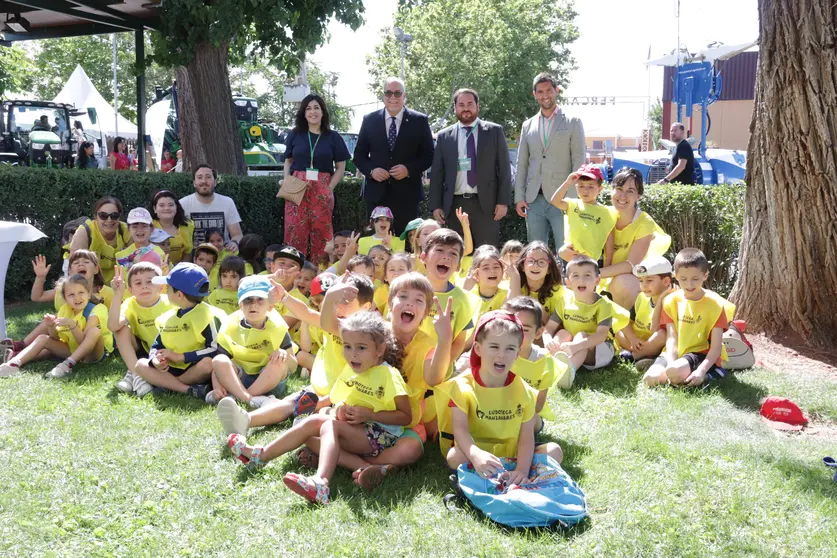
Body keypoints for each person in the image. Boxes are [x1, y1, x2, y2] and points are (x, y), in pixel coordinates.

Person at [433, 311, 563, 471]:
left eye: (510, 349)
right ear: (478, 349)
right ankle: (491, 469)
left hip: (513, 453)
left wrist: (522, 469)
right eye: (494, 347)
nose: (501, 355)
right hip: (477, 452)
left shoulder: (524, 391)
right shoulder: (462, 386)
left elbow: (526, 439)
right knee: (454, 457)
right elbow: (460, 431)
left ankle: (513, 473)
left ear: (517, 354)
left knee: (555, 451)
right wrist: (475, 455)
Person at [429, 88, 511, 248]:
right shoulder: (444, 136)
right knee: (456, 252)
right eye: (461, 104)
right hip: (454, 206)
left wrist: (503, 202)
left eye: (470, 104)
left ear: (477, 106)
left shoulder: (494, 131)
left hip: (486, 206)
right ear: (455, 108)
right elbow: (438, 173)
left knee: (486, 253)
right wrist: (436, 205)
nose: (465, 108)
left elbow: (504, 170)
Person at [132, 263, 227, 399]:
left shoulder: (209, 316)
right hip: (169, 368)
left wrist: (181, 357)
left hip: (194, 369)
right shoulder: (168, 316)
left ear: (179, 294)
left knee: (207, 364)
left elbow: (214, 349)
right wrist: (155, 360)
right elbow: (156, 345)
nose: (165, 291)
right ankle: (187, 389)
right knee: (140, 365)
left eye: (168, 288)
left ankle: (165, 385)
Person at [354, 77, 435, 235]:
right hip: (376, 194)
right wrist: (371, 171)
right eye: (388, 93)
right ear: (383, 96)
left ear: (404, 95)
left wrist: (409, 169)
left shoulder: (419, 121)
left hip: (407, 195)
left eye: (397, 93)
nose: (392, 97)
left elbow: (428, 155)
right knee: (376, 246)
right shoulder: (369, 120)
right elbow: (358, 156)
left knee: (404, 244)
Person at [515, 73, 586, 247]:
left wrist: (574, 197)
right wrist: (519, 197)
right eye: (540, 92)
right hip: (533, 201)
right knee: (536, 252)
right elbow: (522, 163)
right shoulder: (528, 125)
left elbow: (579, 160)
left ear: (557, 90)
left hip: (563, 200)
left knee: (568, 250)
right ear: (534, 94)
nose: (545, 95)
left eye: (549, 90)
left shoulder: (573, 122)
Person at [643, 249, 730, 387]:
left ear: (705, 275)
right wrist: (671, 364)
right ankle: (673, 370)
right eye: (683, 279)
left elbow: (716, 348)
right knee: (650, 380)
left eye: (695, 279)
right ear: (676, 276)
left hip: (699, 353)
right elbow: (671, 338)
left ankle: (715, 372)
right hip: (675, 353)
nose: (689, 285)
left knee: (675, 373)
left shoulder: (716, 305)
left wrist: (701, 372)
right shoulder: (671, 301)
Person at [0, 274, 112, 379]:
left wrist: (72, 325)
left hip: (93, 354)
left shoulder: (97, 309)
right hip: (72, 350)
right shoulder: (65, 310)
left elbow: (84, 342)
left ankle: (66, 365)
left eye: (81, 292)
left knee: (94, 332)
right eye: (71, 295)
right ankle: (12, 364)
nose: (77, 298)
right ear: (65, 298)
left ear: (88, 294)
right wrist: (50, 326)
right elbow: (55, 338)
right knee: (43, 338)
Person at [280, 94, 351, 261]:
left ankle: (321, 272)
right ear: (303, 113)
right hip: (296, 184)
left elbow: (341, 167)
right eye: (308, 108)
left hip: (322, 186)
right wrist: (286, 181)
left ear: (323, 112)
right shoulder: (295, 134)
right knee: (295, 230)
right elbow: (288, 162)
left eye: (316, 108)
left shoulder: (333, 137)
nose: (313, 112)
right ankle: (294, 269)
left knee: (322, 231)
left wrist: (329, 188)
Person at [208, 276, 298, 407]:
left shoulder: (278, 326)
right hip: (239, 378)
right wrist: (217, 387)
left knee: (279, 363)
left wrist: (283, 353)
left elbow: (293, 366)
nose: (253, 304)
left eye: (260, 299)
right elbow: (217, 367)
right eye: (248, 300)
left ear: (270, 306)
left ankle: (240, 397)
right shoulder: (230, 325)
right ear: (240, 305)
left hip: (268, 380)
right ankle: (249, 399)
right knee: (219, 359)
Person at [598, 168, 671, 309]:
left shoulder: (645, 222)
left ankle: (625, 326)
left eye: (630, 191)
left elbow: (631, 265)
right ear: (611, 190)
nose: (623, 196)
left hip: (633, 279)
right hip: (601, 277)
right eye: (619, 188)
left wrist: (594, 274)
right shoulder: (603, 215)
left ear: (638, 196)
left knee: (623, 283)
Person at [549, 256, 629, 372]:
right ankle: (551, 364)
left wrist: (576, 346)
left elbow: (601, 335)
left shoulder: (604, 304)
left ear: (597, 280)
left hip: (600, 349)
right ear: (568, 282)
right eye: (575, 275)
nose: (581, 280)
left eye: (587, 275)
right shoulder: (564, 301)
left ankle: (568, 371)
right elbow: (549, 327)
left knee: (581, 336)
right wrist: (548, 341)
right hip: (575, 347)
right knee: (562, 333)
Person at [109, 262, 173, 395]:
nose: (144, 286)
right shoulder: (130, 304)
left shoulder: (170, 302)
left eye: (149, 282)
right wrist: (117, 295)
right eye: (138, 283)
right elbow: (113, 326)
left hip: (169, 350)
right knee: (121, 330)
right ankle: (137, 376)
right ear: (130, 290)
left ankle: (133, 374)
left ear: (161, 287)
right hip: (144, 350)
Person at [550, 164, 618, 265]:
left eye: (590, 186)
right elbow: (555, 201)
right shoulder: (572, 204)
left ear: (600, 189)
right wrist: (567, 182)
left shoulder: (606, 212)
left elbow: (608, 239)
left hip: (592, 261)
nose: (585, 190)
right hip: (571, 256)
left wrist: (607, 264)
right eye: (581, 186)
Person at [615, 256, 674, 371]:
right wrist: (632, 339)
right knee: (617, 325)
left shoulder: (673, 301)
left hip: (654, 343)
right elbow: (626, 321)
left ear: (666, 281)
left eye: (649, 280)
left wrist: (661, 300)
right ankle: (641, 355)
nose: (644, 286)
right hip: (637, 342)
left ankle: (632, 356)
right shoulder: (642, 297)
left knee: (662, 335)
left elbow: (657, 331)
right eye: (641, 281)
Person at [179, 164, 243, 250]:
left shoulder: (227, 202)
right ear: (194, 183)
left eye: (208, 177)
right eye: (199, 177)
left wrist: (234, 243)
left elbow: (237, 235)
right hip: (194, 257)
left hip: (222, 255)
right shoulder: (183, 204)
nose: (204, 181)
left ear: (215, 182)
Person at [69, 196, 132, 285]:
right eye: (103, 216)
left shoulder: (126, 230)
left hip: (117, 280)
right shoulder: (85, 232)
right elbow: (75, 268)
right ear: (95, 217)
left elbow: (136, 261)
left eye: (114, 216)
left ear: (119, 217)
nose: (109, 220)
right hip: (89, 278)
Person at [149, 190, 195, 265]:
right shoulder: (148, 226)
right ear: (155, 209)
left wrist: (177, 271)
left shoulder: (187, 225)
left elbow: (187, 253)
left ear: (176, 207)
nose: (167, 208)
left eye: (171, 205)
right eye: (161, 205)